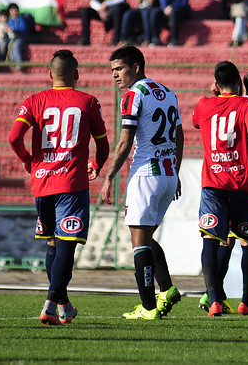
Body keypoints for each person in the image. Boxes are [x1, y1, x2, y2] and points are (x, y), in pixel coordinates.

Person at [8, 49, 110, 325]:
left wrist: (29, 161)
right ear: (76, 75)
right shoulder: (88, 102)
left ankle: (63, 305)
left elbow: (14, 137)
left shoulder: (34, 101)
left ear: (49, 73)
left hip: (42, 183)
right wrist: (98, 166)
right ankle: (50, 304)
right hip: (72, 184)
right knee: (66, 246)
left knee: (52, 245)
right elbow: (103, 144)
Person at [192, 61, 248, 317]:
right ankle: (247, 300)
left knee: (211, 240)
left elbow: (198, 122)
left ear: (215, 83)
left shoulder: (203, 104)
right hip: (242, 184)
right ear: (240, 83)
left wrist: (214, 96)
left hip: (213, 185)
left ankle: (213, 299)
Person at [101, 46, 184, 320]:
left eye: (119, 68)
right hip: (168, 175)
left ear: (136, 67)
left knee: (138, 242)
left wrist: (110, 176)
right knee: (145, 237)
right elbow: (179, 135)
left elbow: (125, 141)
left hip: (146, 174)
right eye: (112, 70)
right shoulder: (168, 92)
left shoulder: (133, 95)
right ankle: (167, 289)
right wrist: (177, 170)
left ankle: (148, 307)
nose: (115, 75)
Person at [6, 3, 31, 70]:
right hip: (13, 38)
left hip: (21, 37)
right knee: (10, 45)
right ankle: (12, 62)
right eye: (12, 11)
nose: (14, 12)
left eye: (15, 10)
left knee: (16, 45)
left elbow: (23, 29)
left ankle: (19, 63)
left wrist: (15, 30)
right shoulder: (10, 21)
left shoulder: (21, 19)